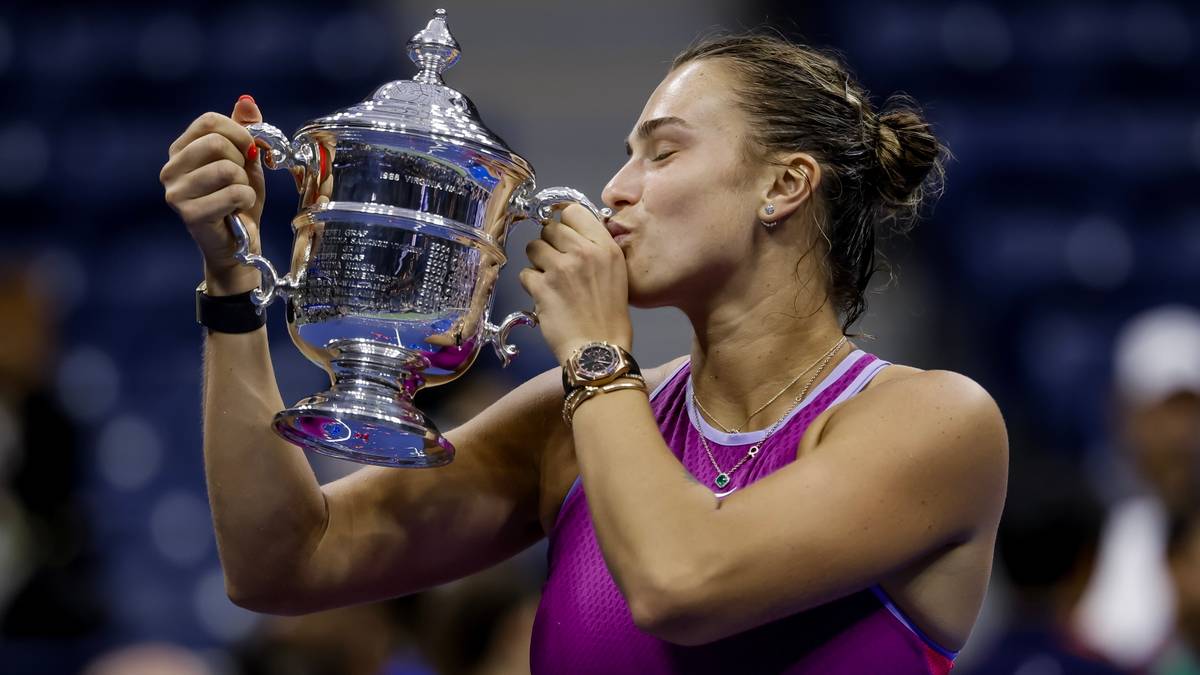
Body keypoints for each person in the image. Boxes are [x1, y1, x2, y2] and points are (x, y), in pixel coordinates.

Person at [159, 31, 1008, 674]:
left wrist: (598, 352)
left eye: (664, 150)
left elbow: (682, 582)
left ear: (784, 185)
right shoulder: (571, 427)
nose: (615, 188)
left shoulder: (936, 422)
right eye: (627, 152)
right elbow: (281, 561)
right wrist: (232, 284)